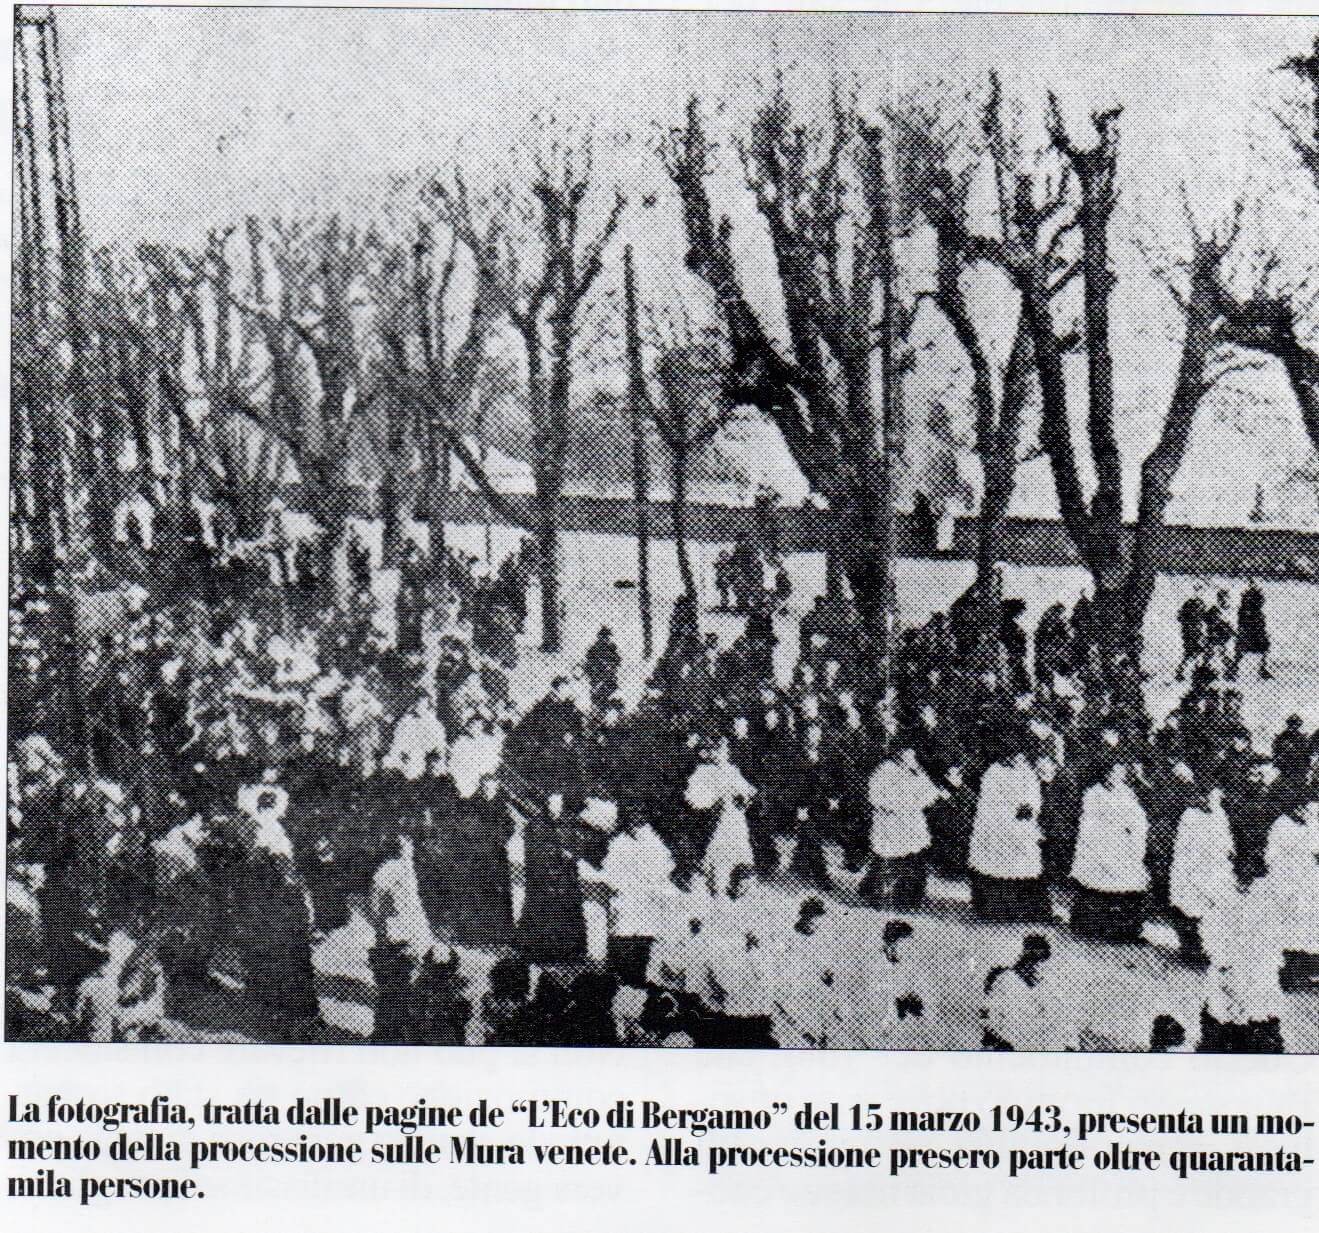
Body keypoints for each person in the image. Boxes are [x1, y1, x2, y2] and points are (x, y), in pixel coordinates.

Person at [1069, 762, 1150, 943]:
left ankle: (1126, 930)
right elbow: (1089, 823)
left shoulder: (1126, 793)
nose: (1117, 777)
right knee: (1098, 880)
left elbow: (1137, 817)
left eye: (1121, 773)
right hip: (1100, 842)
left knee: (1131, 879)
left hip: (1122, 842)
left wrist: (1134, 837)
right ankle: (1092, 926)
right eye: (1113, 773)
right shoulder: (1094, 794)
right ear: (1105, 774)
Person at [968, 742, 1049, 922]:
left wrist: (1030, 807)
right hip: (998, 827)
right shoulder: (994, 773)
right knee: (998, 864)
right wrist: (1010, 810)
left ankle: (1027, 910)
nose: (1019, 760)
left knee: (1026, 862)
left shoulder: (1027, 772)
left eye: (1022, 757)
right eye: (1015, 756)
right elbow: (990, 802)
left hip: (1022, 825)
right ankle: (996, 909)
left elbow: (1034, 794)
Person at [862, 747, 941, 909]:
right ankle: (875, 894)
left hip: (911, 826)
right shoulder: (885, 771)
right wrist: (900, 804)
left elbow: (928, 795)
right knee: (887, 862)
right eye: (907, 754)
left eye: (913, 754)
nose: (911, 758)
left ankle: (910, 898)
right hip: (891, 827)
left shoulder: (917, 773)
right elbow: (876, 797)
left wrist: (925, 794)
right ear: (899, 754)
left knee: (913, 863)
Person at [1168, 784, 1238, 965]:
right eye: (1208, 797)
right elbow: (1183, 846)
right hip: (1194, 868)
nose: (1211, 801)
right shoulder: (1191, 816)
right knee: (1190, 907)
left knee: (1218, 907)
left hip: (1216, 869)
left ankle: (1212, 948)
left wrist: (1226, 854)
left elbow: (1227, 843)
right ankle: (1191, 948)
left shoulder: (1220, 816)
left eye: (1215, 797)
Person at [979, 934, 1075, 1051]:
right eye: (1031, 959)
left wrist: (1069, 1046)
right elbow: (989, 1015)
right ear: (1023, 956)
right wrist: (989, 1044)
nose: (1034, 965)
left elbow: (1060, 1020)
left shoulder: (1046, 987)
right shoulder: (1005, 980)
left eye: (1039, 960)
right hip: (1007, 1047)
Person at [1233, 581, 1271, 680]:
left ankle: (1262, 669)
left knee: (1263, 646)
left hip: (1255, 631)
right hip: (1247, 631)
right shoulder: (1245, 610)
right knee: (1241, 649)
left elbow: (1261, 623)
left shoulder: (1257, 611)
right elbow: (1241, 621)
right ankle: (1233, 669)